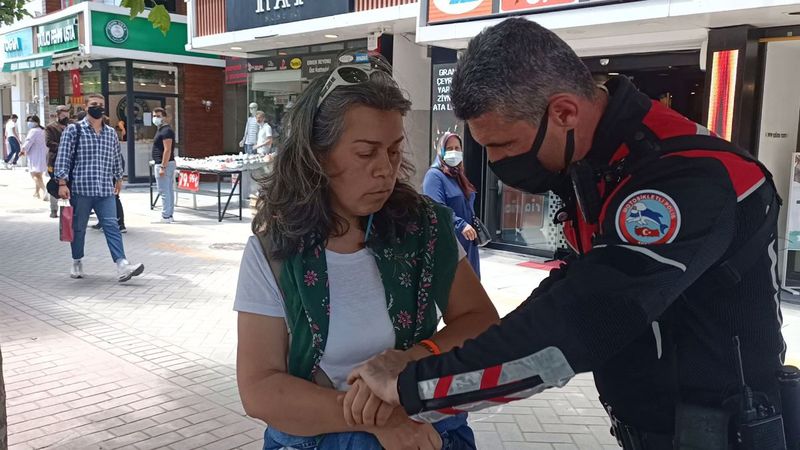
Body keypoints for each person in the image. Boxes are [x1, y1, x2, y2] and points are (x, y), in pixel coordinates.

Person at [345, 19, 787, 449]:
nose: (496, 163)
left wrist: (414, 385)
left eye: (504, 145)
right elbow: (572, 286)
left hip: (725, 431)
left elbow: (586, 320)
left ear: (564, 112)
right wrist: (427, 360)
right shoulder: (600, 164)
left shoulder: (686, 180)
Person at [234, 59, 499, 450]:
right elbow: (259, 388)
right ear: (317, 155)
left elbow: (481, 320)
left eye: (393, 151)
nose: (385, 170)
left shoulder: (426, 227)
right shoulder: (274, 252)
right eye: (365, 153)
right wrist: (379, 420)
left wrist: (414, 357)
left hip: (429, 434)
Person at [55, 94, 144, 283]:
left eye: (101, 105)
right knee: (79, 228)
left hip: (105, 189)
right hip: (81, 189)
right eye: (94, 104)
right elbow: (63, 156)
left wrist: (119, 177)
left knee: (112, 226)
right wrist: (62, 183)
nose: (98, 107)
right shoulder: (74, 130)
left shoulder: (110, 133)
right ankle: (77, 260)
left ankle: (122, 264)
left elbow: (115, 157)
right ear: (86, 107)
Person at [423, 132, 480, 277]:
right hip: (451, 242)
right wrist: (460, 224)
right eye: (449, 149)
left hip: (468, 241)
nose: (454, 152)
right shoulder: (434, 176)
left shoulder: (458, 175)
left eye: (457, 148)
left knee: (472, 284)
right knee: (457, 284)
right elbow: (436, 209)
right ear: (441, 151)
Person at [46, 106, 72, 218]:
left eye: (67, 112)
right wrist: (64, 147)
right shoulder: (51, 127)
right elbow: (48, 142)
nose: (65, 115)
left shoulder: (72, 126)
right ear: (58, 114)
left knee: (71, 183)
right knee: (54, 183)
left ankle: (73, 207)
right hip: (54, 160)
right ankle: (54, 209)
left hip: (70, 160)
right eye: (63, 113)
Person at [152, 107, 176, 223]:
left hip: (164, 164)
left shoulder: (166, 131)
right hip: (165, 164)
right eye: (154, 116)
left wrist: (163, 166)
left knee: (164, 191)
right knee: (168, 190)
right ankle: (169, 214)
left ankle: (166, 216)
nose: (155, 118)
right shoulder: (161, 130)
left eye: (158, 116)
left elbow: (167, 150)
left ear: (164, 117)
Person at [21, 115, 48, 199]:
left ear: (36, 122)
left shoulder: (33, 131)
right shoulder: (43, 130)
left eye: (31, 121)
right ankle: (37, 193)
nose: (29, 123)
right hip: (43, 155)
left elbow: (28, 142)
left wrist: (23, 150)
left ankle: (44, 190)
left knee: (34, 175)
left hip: (35, 155)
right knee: (39, 175)